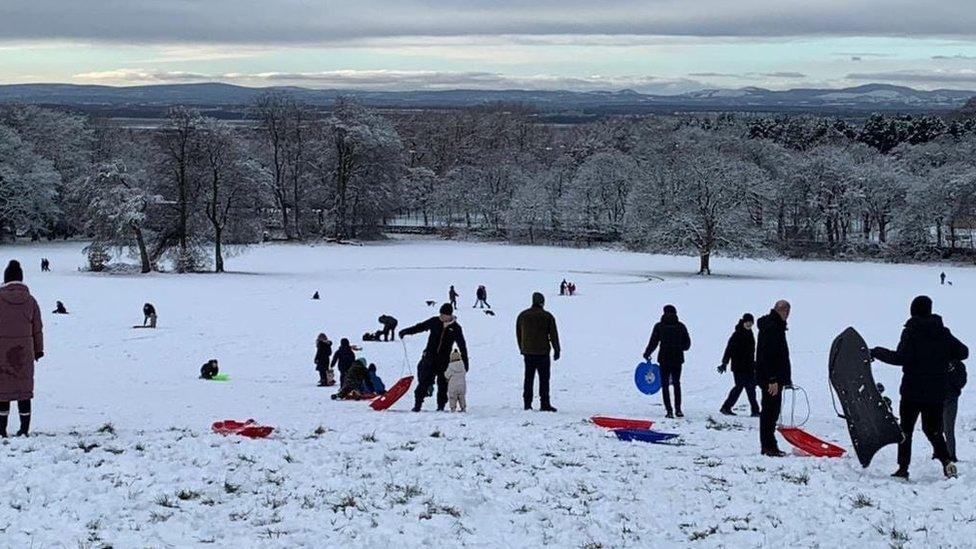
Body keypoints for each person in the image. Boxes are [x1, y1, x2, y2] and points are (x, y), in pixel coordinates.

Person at [871, 295, 968, 479]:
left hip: (912, 392)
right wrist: (945, 357)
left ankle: (903, 469)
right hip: (936, 392)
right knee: (933, 430)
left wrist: (876, 352)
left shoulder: (911, 332)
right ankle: (947, 462)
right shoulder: (943, 332)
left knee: (905, 430)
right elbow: (963, 352)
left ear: (913, 310)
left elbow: (900, 358)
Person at [0, 260, 43, 437]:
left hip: (2, 351)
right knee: (24, 389)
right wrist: (38, 350)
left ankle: (1, 429)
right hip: (24, 351)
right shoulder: (31, 301)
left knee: (2, 390)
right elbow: (37, 328)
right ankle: (24, 429)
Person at [399, 303, 469, 412]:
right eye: (440, 314)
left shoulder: (456, 328)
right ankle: (417, 405)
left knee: (442, 385)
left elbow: (462, 345)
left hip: (444, 361)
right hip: (429, 359)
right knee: (423, 382)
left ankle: (440, 406)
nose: (441, 317)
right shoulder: (435, 321)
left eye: (443, 315)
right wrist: (406, 331)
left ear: (449, 315)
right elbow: (420, 327)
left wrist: (465, 363)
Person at [756, 300, 792, 457]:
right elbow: (768, 355)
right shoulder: (772, 327)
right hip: (771, 379)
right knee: (770, 412)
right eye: (786, 311)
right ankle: (768, 446)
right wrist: (772, 379)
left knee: (772, 412)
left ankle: (770, 445)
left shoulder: (775, 326)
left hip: (774, 378)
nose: (788, 315)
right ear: (781, 311)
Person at [643, 304, 691, 418]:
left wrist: (647, 353)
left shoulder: (659, 326)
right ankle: (678, 410)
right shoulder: (681, 326)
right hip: (677, 359)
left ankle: (669, 411)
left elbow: (653, 342)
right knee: (676, 383)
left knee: (664, 384)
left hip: (664, 359)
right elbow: (687, 345)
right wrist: (679, 347)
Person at [516, 292, 561, 412]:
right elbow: (553, 335)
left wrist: (522, 348)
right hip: (543, 353)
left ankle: (527, 403)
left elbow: (519, 334)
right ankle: (545, 404)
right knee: (544, 379)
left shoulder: (523, 315)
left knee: (528, 378)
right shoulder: (547, 316)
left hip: (528, 352)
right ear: (542, 302)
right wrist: (557, 350)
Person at [718, 313, 759, 417]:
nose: (749, 324)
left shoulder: (750, 334)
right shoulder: (737, 334)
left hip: (749, 366)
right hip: (738, 367)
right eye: (747, 322)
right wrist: (724, 363)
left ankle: (755, 411)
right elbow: (729, 349)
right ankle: (726, 407)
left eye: (751, 322)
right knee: (739, 387)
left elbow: (751, 352)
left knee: (750, 388)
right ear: (743, 322)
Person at [945, 360, 967, 462]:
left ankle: (951, 455)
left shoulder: (958, 365)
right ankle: (938, 452)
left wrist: (952, 371)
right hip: (935, 400)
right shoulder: (935, 360)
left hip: (950, 400)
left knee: (948, 428)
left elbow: (961, 383)